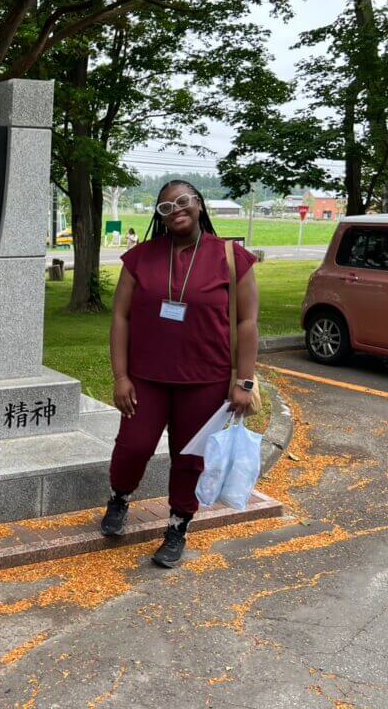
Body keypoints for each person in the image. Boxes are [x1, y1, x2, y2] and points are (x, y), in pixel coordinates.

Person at [103, 180, 259, 567]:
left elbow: (248, 322)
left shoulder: (231, 257)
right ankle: (120, 497)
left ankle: (178, 525)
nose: (176, 210)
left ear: (200, 204)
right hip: (146, 377)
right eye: (166, 207)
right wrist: (121, 376)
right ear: (160, 216)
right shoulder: (140, 257)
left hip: (205, 379)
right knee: (133, 446)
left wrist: (245, 380)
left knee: (189, 458)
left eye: (183, 201)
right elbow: (120, 317)